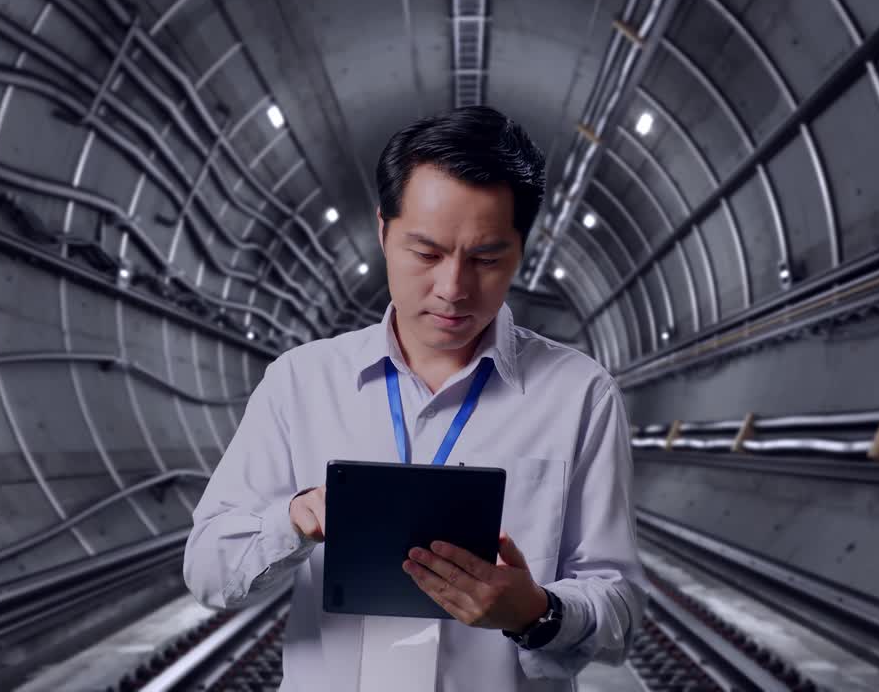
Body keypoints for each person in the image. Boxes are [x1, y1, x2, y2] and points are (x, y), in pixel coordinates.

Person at [183, 105, 645, 691]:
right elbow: (206, 570)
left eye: (486, 259)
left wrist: (537, 613)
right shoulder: (299, 383)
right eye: (426, 253)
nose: (453, 289)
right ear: (383, 232)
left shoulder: (580, 395)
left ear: (522, 251)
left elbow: (621, 610)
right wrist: (295, 521)